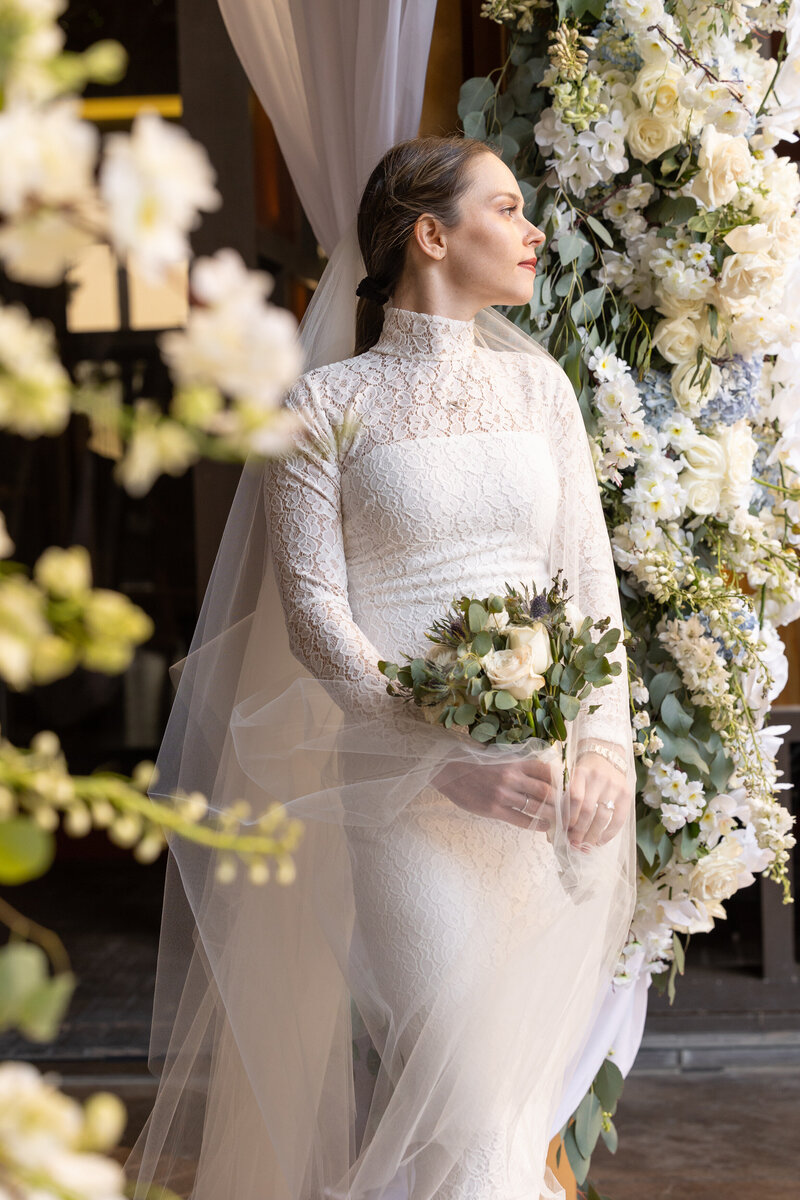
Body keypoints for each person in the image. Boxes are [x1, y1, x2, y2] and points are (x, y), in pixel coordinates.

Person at [127, 135, 637, 1200]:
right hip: (405, 801)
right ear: (432, 234)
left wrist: (599, 754)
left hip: (545, 806)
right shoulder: (321, 410)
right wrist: (434, 761)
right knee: (462, 1106)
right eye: (506, 207)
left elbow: (587, 588)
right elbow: (317, 617)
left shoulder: (541, 392)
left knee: (501, 1114)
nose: (532, 227)